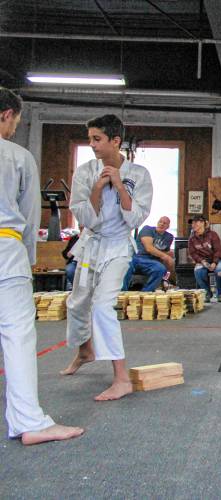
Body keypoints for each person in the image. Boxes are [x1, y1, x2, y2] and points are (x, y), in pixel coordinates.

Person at [0, 87, 83, 444]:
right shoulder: (15, 156)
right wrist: (30, 262)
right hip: (6, 245)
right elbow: (30, 214)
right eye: (15, 122)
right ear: (7, 114)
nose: (13, 128)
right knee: (17, 333)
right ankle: (29, 422)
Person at [61, 114, 153, 401]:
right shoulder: (85, 172)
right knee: (76, 303)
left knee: (101, 306)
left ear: (115, 141)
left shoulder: (139, 174)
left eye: (97, 139)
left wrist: (120, 185)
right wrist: (98, 188)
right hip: (91, 244)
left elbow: (136, 217)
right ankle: (85, 351)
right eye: (90, 139)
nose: (92, 145)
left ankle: (121, 377)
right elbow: (85, 217)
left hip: (117, 247)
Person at [121, 216, 174, 291]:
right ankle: (123, 293)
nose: (162, 224)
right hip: (138, 258)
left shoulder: (169, 237)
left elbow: (165, 252)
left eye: (165, 223)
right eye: (160, 222)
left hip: (153, 262)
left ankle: (146, 293)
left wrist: (168, 258)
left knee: (160, 268)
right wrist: (166, 256)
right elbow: (149, 248)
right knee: (126, 265)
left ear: (168, 226)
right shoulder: (147, 229)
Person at [188, 215, 221, 302]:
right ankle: (206, 293)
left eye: (196, 222)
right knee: (198, 271)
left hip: (219, 259)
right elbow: (193, 253)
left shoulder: (213, 235)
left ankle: (220, 293)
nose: (193, 224)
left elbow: (218, 251)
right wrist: (202, 261)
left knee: (220, 270)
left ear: (203, 223)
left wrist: (214, 262)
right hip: (204, 261)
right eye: (192, 223)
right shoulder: (192, 239)